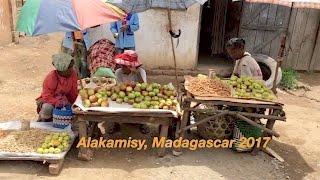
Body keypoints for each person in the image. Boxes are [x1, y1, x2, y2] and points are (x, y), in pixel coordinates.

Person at [36, 53, 78, 122]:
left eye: (72, 67)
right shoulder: (51, 77)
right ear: (62, 70)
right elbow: (47, 96)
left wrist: (76, 104)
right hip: (49, 101)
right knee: (47, 108)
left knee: (73, 110)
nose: (71, 70)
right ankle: (44, 121)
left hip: (65, 101)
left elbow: (73, 93)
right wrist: (58, 103)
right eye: (69, 68)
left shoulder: (73, 74)